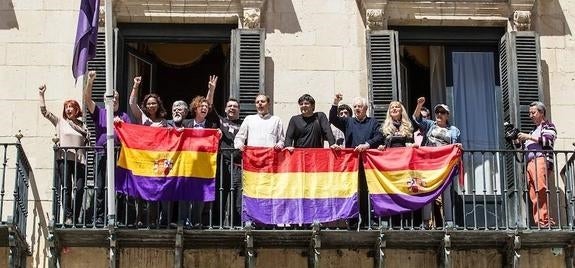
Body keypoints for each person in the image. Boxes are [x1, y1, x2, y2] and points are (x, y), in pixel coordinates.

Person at [84, 70, 131, 225]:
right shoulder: (100, 113)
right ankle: (99, 217)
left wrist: (122, 126)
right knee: (100, 186)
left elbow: (130, 136)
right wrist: (90, 81)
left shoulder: (124, 116)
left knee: (118, 187)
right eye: (111, 98)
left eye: (116, 98)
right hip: (102, 153)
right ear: (105, 100)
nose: (114, 100)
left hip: (119, 155)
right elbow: (87, 99)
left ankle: (118, 217)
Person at [329, 93, 384, 228]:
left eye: (359, 106)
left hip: (368, 162)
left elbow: (379, 136)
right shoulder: (348, 122)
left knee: (367, 190)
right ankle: (353, 221)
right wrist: (335, 102)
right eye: (355, 107)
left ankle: (367, 220)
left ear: (365, 108)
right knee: (353, 191)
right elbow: (332, 118)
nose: (357, 109)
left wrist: (367, 144)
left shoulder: (373, 122)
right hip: (352, 163)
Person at [39, 84, 89, 225]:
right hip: (64, 158)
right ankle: (68, 217)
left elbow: (88, 142)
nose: (68, 109)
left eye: (70, 107)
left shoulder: (83, 126)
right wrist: (41, 95)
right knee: (66, 187)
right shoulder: (60, 122)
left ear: (76, 109)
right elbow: (44, 112)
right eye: (66, 107)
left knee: (79, 189)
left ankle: (75, 215)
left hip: (80, 160)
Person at [413, 97, 461, 229]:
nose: (439, 115)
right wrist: (419, 105)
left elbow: (457, 146)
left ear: (447, 115)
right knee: (427, 189)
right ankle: (426, 221)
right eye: (437, 112)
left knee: (446, 191)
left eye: (442, 112)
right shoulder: (429, 125)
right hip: (429, 163)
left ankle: (449, 222)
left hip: (446, 164)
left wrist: (458, 146)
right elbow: (417, 119)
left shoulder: (454, 130)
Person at [128, 76, 167, 227]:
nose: (151, 105)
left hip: (158, 160)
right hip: (143, 158)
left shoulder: (164, 122)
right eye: (149, 103)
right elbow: (132, 103)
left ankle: (153, 218)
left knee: (155, 190)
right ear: (146, 105)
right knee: (141, 189)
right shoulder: (142, 117)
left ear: (158, 105)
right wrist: (136, 86)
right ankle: (139, 217)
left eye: (154, 103)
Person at [206, 76, 244, 227]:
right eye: (230, 106)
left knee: (236, 197)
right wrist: (211, 89)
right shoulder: (220, 120)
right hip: (222, 163)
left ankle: (235, 226)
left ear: (239, 110)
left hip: (238, 165)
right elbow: (208, 106)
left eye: (235, 106)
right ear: (225, 109)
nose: (232, 108)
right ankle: (216, 225)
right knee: (219, 196)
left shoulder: (245, 124)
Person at [513, 101, 557, 227]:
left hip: (540, 160)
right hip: (530, 163)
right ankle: (539, 221)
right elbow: (522, 149)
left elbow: (548, 141)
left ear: (541, 113)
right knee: (533, 193)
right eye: (529, 113)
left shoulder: (548, 126)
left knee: (541, 189)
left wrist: (528, 137)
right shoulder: (533, 131)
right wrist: (516, 139)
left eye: (533, 112)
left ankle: (545, 220)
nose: (530, 116)